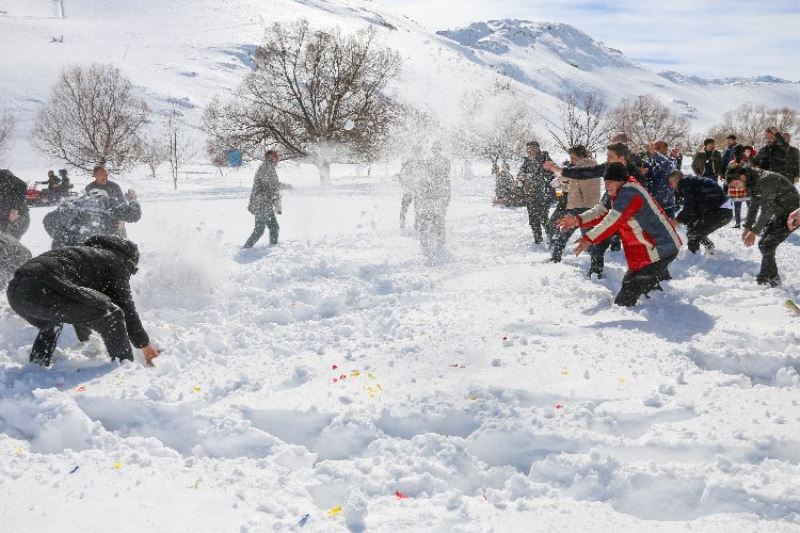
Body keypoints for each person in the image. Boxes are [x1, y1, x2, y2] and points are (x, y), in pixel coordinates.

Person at [6, 236, 159, 367]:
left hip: (17, 292)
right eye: (134, 269)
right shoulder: (117, 261)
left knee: (51, 323)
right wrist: (144, 344)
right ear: (131, 260)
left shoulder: (86, 256)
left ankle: (37, 366)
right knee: (112, 314)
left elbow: (82, 305)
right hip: (45, 289)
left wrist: (85, 340)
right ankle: (125, 369)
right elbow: (126, 307)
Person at [559, 162, 682, 307]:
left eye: (611, 182)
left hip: (660, 248)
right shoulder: (616, 192)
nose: (607, 185)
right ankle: (664, 309)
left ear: (621, 180)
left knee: (627, 296)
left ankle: (660, 319)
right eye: (606, 182)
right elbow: (601, 211)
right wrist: (577, 220)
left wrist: (589, 237)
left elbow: (613, 220)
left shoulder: (630, 192)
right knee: (638, 287)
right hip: (645, 252)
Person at [726, 166, 799, 287]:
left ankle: (765, 279)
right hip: (781, 214)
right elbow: (754, 206)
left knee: (767, 244)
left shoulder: (765, 180)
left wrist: (754, 232)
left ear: (742, 177)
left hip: (794, 215)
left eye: (736, 183)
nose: (736, 187)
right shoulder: (754, 182)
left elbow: (767, 210)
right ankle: (772, 279)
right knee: (764, 245)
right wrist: (747, 227)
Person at [548, 146, 602, 269]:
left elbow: (560, 180)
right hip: (591, 206)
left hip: (578, 206)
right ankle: (597, 266)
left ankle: (556, 257)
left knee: (565, 233)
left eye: (573, 157)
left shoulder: (580, 167)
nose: (571, 160)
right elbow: (575, 185)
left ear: (580, 156)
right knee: (588, 237)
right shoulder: (595, 166)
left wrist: (558, 179)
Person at [43, 190, 142, 249]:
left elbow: (47, 220)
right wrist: (133, 200)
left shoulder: (72, 202)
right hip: (88, 252)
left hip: (59, 249)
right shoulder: (107, 202)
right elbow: (134, 214)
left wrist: (59, 235)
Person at [668, 170, 732, 254]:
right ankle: (709, 250)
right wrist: (684, 221)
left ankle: (694, 258)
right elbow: (694, 208)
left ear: (676, 179)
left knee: (693, 234)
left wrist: (676, 221)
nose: (671, 186)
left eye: (671, 183)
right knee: (693, 228)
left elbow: (689, 208)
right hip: (722, 211)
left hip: (720, 211)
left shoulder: (685, 183)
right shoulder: (691, 182)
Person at [416, 142, 451, 261]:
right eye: (434, 149)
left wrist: (446, 201)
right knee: (427, 219)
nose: (436, 151)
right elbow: (422, 183)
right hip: (430, 197)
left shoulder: (444, 163)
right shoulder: (428, 164)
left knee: (438, 220)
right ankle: (425, 243)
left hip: (438, 198)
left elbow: (447, 184)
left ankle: (439, 244)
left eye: (437, 149)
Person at [86, 165, 140, 238]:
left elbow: (123, 203)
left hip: (116, 225)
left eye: (106, 175)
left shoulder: (114, 187)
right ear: (95, 175)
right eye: (101, 175)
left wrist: (121, 221)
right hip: (97, 227)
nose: (105, 177)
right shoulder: (89, 188)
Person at [516, 141, 554, 244]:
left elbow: (550, 175)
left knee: (543, 217)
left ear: (537, 148)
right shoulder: (527, 161)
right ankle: (537, 239)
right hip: (531, 194)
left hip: (544, 193)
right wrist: (521, 177)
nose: (529, 150)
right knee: (532, 218)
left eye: (531, 148)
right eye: (528, 148)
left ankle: (551, 237)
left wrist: (531, 177)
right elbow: (520, 173)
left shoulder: (545, 158)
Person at [244, 150, 282, 248]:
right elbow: (272, 187)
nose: (277, 158)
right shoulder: (265, 167)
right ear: (270, 157)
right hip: (260, 203)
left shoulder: (270, 167)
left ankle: (273, 247)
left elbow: (274, 187)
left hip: (266, 204)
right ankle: (246, 249)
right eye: (275, 156)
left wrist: (277, 205)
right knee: (259, 230)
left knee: (274, 228)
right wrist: (285, 187)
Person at [642, 141, 677, 218]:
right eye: (655, 148)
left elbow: (670, 167)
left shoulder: (671, 161)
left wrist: (656, 155)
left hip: (667, 204)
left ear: (665, 149)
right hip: (652, 204)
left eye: (657, 148)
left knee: (669, 228)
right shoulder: (649, 161)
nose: (655, 150)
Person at [0, 169, 31, 240]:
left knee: (8, 242)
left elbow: (21, 185)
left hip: (16, 219)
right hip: (6, 221)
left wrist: (15, 209)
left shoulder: (4, 178)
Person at [399, 159, 419, 228]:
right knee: (405, 208)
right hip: (409, 191)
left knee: (417, 208)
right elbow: (401, 178)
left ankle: (416, 223)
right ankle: (402, 223)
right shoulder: (407, 164)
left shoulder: (419, 163)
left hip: (415, 191)